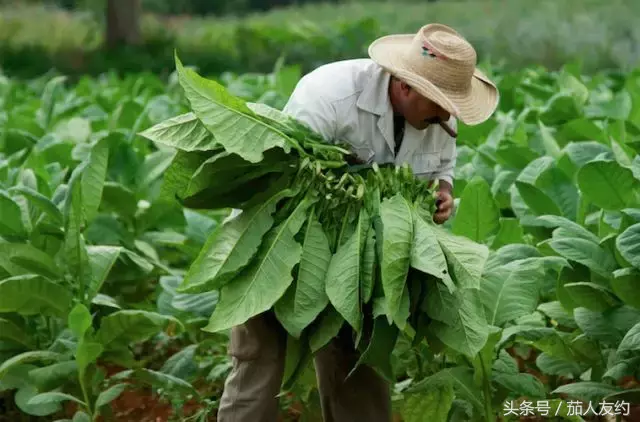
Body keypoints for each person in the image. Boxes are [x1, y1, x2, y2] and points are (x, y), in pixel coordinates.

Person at [216, 23, 499, 422]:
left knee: (359, 369)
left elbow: (441, 169)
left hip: (360, 258)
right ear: (405, 87)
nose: (446, 115)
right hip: (275, 244)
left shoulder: (438, 118)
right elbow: (286, 180)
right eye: (439, 104)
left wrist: (442, 196)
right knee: (258, 362)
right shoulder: (329, 94)